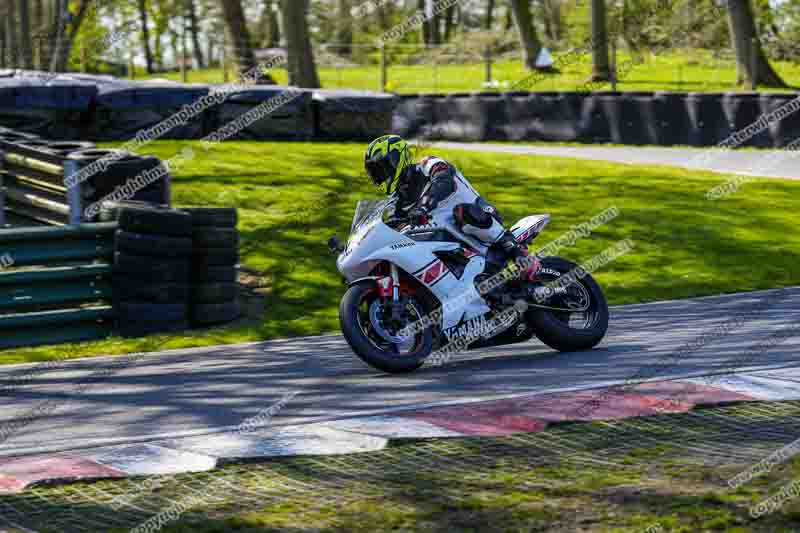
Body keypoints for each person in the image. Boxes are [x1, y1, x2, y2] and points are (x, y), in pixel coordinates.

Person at [364, 134, 539, 280]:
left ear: (397, 159)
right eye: (376, 174)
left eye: (382, 169)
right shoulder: (397, 201)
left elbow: (443, 182)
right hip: (449, 239)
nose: (381, 176)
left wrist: (424, 207)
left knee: (462, 212)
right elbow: (391, 226)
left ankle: (517, 251)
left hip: (479, 217)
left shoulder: (428, 164)